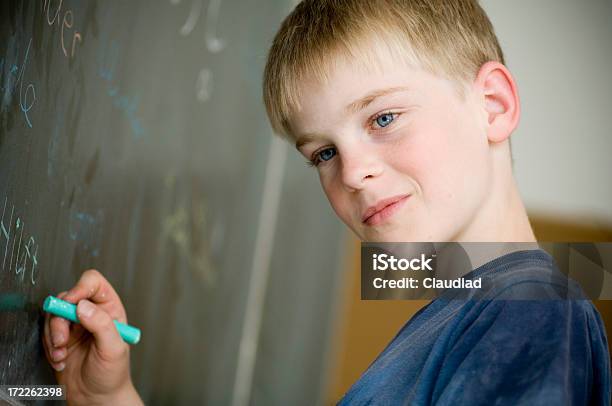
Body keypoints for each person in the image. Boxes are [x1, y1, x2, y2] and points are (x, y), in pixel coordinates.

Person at [43, 0, 611, 404]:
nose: (354, 171)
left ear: (492, 105)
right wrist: (108, 398)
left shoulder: (531, 312)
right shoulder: (466, 311)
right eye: (322, 154)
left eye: (383, 118)